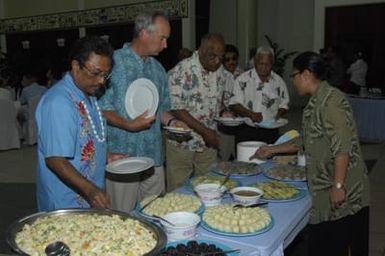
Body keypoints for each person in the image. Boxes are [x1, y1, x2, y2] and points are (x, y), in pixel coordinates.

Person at [252, 51, 369, 256]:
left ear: (306, 74)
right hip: (324, 190)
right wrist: (271, 150)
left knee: (337, 244)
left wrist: (338, 186)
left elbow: (343, 146)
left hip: (346, 195)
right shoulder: (314, 104)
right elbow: (307, 141)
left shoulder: (331, 101)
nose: (293, 81)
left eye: (293, 75)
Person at [99, 11, 184, 212]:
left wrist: (173, 123)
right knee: (122, 217)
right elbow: (101, 110)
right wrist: (127, 124)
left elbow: (161, 109)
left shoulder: (158, 70)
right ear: (144, 33)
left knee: (156, 214)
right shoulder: (112, 64)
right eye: (162, 38)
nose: (165, 45)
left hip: (153, 157)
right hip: (122, 158)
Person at [35, 36, 115, 211]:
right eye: (96, 73)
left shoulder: (89, 95)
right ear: (75, 66)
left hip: (88, 196)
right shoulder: (59, 102)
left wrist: (107, 156)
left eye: (105, 75)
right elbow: (55, 159)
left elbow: (85, 138)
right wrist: (90, 190)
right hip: (66, 202)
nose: (101, 81)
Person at [167, 33, 234, 191]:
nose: (218, 61)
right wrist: (205, 132)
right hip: (182, 141)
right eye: (213, 56)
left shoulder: (222, 73)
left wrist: (224, 112)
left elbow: (219, 102)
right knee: (179, 190)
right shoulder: (180, 71)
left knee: (209, 186)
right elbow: (176, 108)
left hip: (208, 144)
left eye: (221, 56)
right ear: (201, 50)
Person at [229, 45, 289, 144]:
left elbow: (284, 104)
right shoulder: (242, 79)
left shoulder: (279, 81)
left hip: (271, 132)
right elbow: (233, 104)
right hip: (247, 130)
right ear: (255, 62)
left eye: (267, 64)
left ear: (272, 64)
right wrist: (251, 114)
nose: (264, 67)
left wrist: (280, 113)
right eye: (261, 63)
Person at [218, 44, 243, 161]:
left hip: (241, 123)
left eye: (234, 58)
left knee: (240, 157)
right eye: (227, 59)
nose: (231, 62)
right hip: (224, 125)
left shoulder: (244, 76)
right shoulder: (219, 76)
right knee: (223, 158)